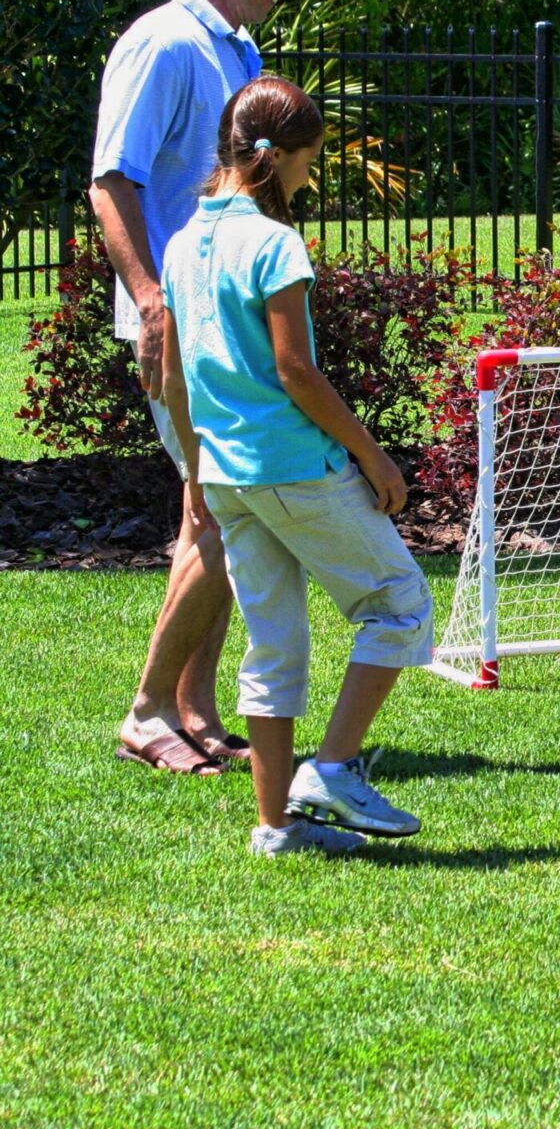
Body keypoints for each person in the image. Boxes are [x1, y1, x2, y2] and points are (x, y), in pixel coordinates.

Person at [159, 75, 431, 857]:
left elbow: (172, 378)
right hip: (293, 467)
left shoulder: (181, 244)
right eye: (310, 161)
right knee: (401, 604)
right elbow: (297, 373)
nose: (311, 177)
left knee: (273, 643)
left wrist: (193, 472)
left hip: (225, 477)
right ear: (278, 160)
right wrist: (371, 454)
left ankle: (276, 827)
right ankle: (333, 769)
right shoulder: (275, 242)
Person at [92, 0, 312, 774]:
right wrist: (150, 302)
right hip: (174, 323)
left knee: (213, 517)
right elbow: (113, 180)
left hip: (219, 325)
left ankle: (192, 708)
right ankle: (148, 712)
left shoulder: (239, 47)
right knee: (221, 517)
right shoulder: (162, 43)